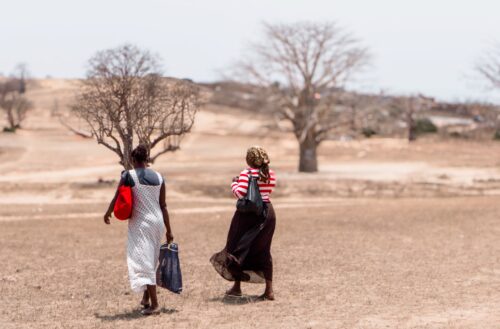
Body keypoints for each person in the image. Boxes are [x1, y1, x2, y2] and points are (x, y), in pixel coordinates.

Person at [103, 145, 174, 316]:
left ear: (134, 160)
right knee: (149, 259)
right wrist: (169, 231)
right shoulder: (159, 177)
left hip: (141, 223)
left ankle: (155, 305)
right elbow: (163, 205)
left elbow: (117, 196)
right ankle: (146, 299)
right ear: (147, 160)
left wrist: (108, 212)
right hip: (157, 223)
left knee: (143, 262)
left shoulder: (128, 175)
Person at [211, 146, 277, 300]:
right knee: (264, 250)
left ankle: (237, 287)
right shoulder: (270, 173)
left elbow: (239, 193)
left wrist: (234, 183)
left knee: (236, 249)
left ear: (249, 159)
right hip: (267, 214)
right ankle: (269, 290)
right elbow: (268, 190)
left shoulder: (246, 173)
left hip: (247, 216)